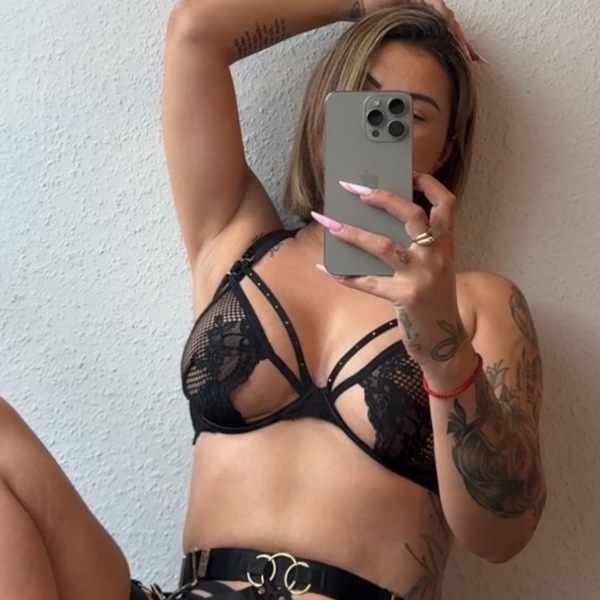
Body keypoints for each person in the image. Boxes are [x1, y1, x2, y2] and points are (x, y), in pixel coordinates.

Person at [0, 1, 546, 599]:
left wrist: (443, 347)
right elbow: (195, 32)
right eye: (361, 101)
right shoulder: (238, 241)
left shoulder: (480, 304)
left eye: (409, 116)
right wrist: (363, 1)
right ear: (326, 111)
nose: (378, 128)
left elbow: (502, 536)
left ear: (445, 147)